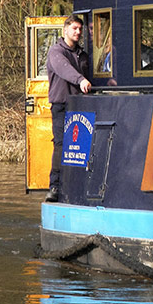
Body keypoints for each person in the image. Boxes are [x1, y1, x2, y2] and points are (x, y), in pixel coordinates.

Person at [45, 15, 92, 202]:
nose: (78, 32)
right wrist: (81, 80)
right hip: (61, 105)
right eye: (74, 28)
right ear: (65, 30)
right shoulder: (56, 52)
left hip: (80, 105)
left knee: (80, 147)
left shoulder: (82, 55)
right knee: (60, 145)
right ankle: (55, 186)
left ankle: (77, 185)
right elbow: (64, 69)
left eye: (80, 29)